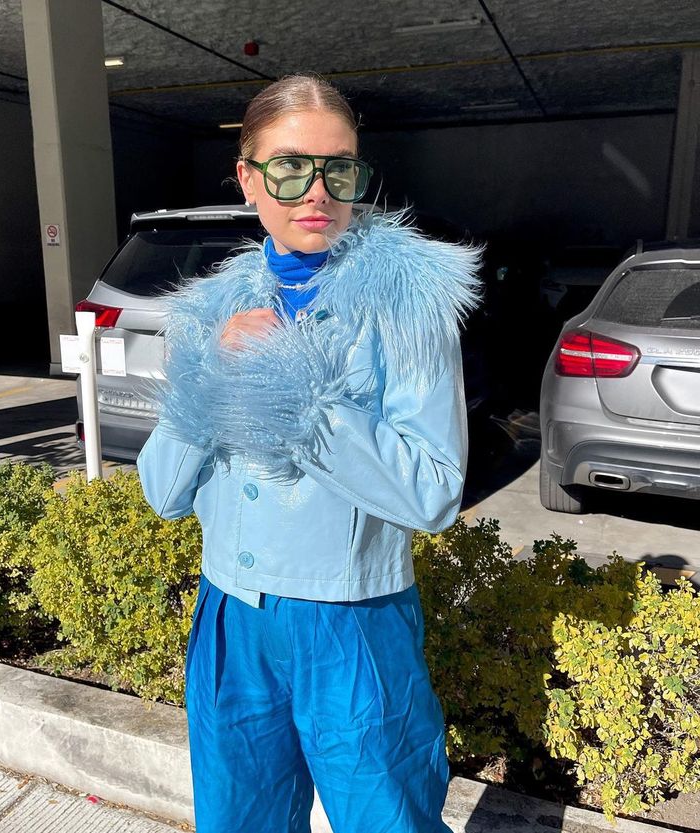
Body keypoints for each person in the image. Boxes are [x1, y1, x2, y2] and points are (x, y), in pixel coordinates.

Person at [137, 74, 483, 833]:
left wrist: (293, 396)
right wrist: (210, 379)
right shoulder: (213, 309)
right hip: (230, 617)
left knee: (386, 819)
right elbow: (162, 492)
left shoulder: (409, 301)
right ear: (248, 177)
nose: (317, 192)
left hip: (354, 622)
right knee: (237, 821)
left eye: (340, 169)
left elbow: (433, 492)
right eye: (291, 167)